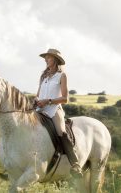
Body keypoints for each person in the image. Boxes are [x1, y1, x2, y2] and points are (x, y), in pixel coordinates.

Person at [34, 48, 83, 178]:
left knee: (61, 131)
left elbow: (65, 99)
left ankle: (75, 165)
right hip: (40, 109)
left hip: (54, 109)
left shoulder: (62, 76)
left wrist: (48, 101)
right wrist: (36, 100)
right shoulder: (43, 76)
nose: (45, 59)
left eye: (48, 57)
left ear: (55, 60)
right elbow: (38, 94)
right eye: (46, 57)